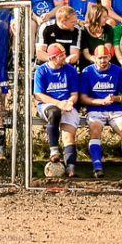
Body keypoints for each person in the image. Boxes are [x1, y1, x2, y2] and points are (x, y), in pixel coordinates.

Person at [33, 42, 81, 178]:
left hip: (66, 104)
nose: (65, 58)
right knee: (54, 112)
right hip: (47, 104)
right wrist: (58, 103)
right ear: (52, 58)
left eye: (64, 54)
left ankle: (70, 167)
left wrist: (68, 103)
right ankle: (54, 151)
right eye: (61, 56)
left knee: (68, 135)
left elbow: (74, 95)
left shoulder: (70, 70)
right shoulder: (41, 70)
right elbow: (38, 95)